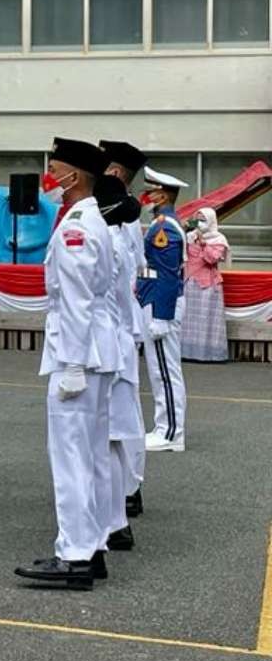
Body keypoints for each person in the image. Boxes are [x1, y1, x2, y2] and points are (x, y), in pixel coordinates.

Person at [15, 139, 118, 591]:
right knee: (90, 453)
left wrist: (72, 362)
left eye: (54, 169)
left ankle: (74, 554)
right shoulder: (90, 219)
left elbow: (75, 300)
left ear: (73, 177)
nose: (48, 178)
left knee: (72, 455)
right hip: (95, 346)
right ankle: (91, 547)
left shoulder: (78, 224)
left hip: (79, 350)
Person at [94, 172, 144, 554]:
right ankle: (116, 520)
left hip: (108, 345)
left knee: (105, 440)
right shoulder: (120, 240)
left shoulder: (105, 241)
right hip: (122, 341)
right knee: (112, 439)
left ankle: (113, 521)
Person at [138, 167, 189, 452]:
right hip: (156, 300)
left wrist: (161, 316)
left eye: (152, 191)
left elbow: (168, 274)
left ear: (163, 194)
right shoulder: (163, 222)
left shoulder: (164, 227)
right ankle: (165, 427)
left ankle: (170, 432)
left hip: (161, 303)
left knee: (165, 372)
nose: (147, 195)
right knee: (161, 370)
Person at [182, 207, 230, 364]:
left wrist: (203, 244)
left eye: (204, 220)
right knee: (188, 317)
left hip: (208, 285)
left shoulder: (219, 239)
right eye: (198, 219)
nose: (201, 223)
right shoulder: (190, 236)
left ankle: (208, 354)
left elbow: (213, 259)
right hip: (190, 282)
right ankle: (186, 352)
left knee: (206, 318)